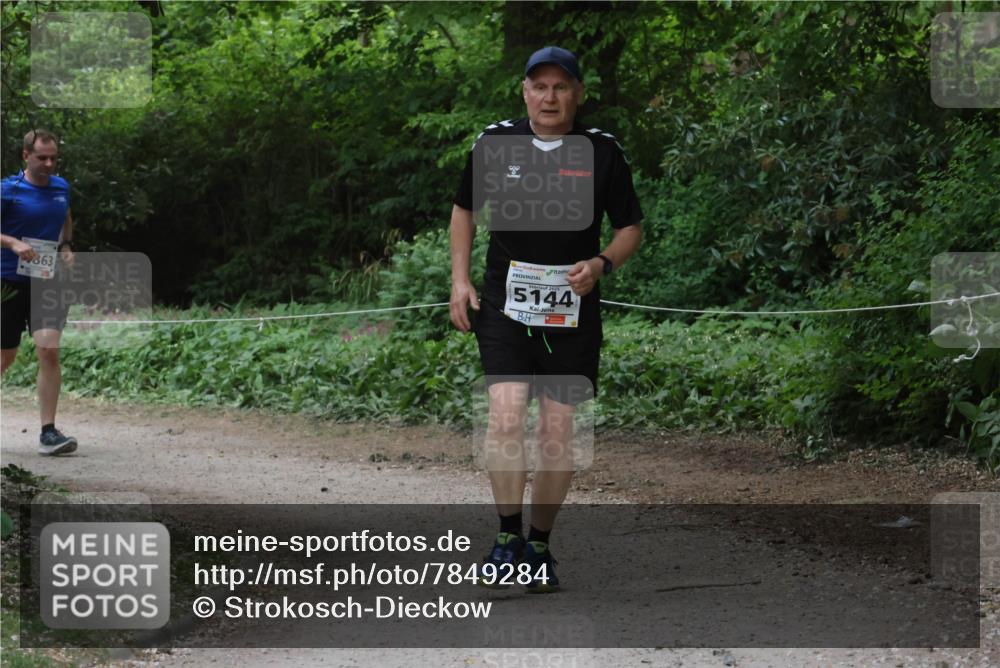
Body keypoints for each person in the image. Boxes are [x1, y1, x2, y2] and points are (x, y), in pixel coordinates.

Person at [449, 46, 643, 592]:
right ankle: (506, 537)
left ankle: (539, 545)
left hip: (571, 307)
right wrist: (460, 280)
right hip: (505, 304)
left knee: (557, 429)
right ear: (525, 91)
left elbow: (630, 228)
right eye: (540, 86)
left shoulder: (602, 151)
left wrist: (601, 264)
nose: (549, 97)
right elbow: (464, 210)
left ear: (578, 93)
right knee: (506, 417)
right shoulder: (495, 143)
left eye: (561, 87)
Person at [1, 128, 78, 455]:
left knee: (49, 350)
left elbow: (65, 217)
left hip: (47, 280)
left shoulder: (61, 187)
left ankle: (49, 432)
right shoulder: (8, 190)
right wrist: (12, 243)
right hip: (7, 282)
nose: (48, 164)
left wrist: (67, 245)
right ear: (26, 156)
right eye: (41, 158)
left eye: (53, 158)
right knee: (5, 357)